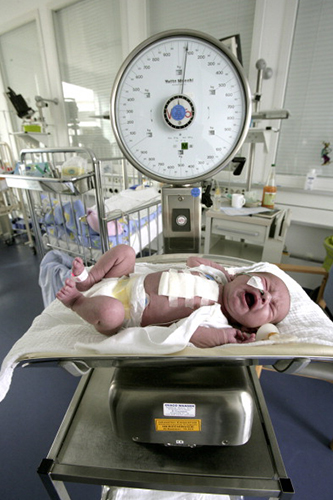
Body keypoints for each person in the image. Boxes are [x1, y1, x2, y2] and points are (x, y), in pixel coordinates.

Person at [56, 245, 291, 348]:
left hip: (124, 311)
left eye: (270, 307)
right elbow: (193, 262)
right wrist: (224, 271)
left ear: (250, 328)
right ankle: (91, 278)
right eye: (264, 284)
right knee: (126, 252)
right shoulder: (217, 276)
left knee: (109, 313)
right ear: (241, 276)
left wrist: (225, 337)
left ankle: (77, 302)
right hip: (124, 280)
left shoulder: (216, 317)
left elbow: (193, 334)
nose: (264, 296)